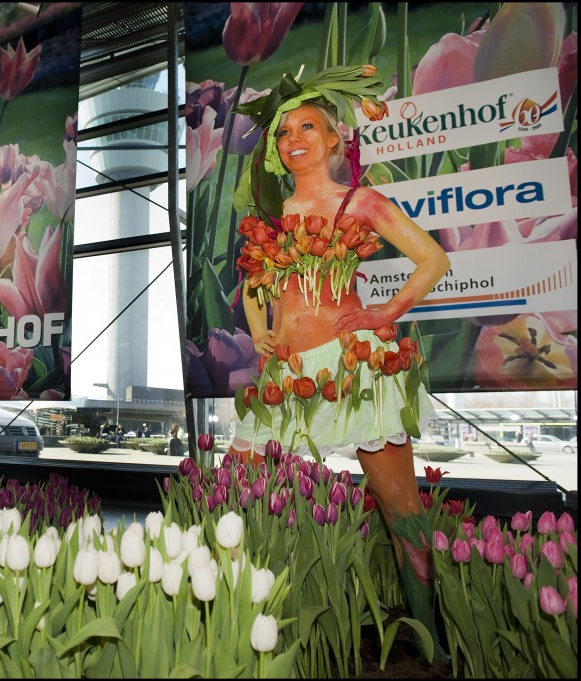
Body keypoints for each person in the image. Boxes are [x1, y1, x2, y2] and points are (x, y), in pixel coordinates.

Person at [228, 66, 451, 661]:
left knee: (400, 505)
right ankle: (240, 624)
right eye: (281, 132)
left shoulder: (361, 201)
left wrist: (388, 311)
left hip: (355, 364)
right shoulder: (272, 219)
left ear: (333, 142)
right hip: (287, 375)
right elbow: (253, 287)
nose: (291, 138)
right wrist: (260, 335)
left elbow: (431, 259)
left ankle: (432, 643)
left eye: (307, 127)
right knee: (235, 484)